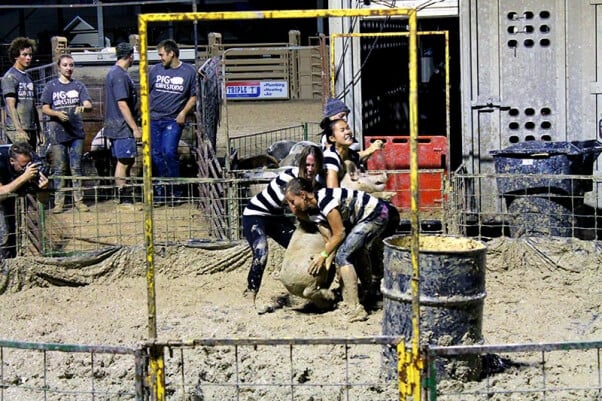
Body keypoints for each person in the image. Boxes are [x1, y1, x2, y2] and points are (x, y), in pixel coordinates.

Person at [284, 177, 395, 322]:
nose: (292, 208)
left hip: (377, 213)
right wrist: (327, 263)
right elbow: (329, 238)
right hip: (364, 218)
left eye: (293, 202)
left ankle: (354, 307)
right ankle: (370, 294)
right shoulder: (313, 212)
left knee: (343, 256)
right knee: (353, 251)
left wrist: (323, 256)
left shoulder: (325, 201)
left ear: (303, 195)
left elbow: (339, 233)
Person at [242, 145, 324, 311]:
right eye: (306, 165)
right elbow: (296, 210)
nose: (309, 169)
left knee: (299, 248)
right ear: (301, 164)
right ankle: (250, 292)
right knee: (261, 252)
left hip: (276, 217)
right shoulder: (290, 178)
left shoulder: (316, 182)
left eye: (313, 165)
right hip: (256, 213)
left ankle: (313, 289)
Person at [41, 54, 92, 214]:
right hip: (57, 132)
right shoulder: (51, 86)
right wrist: (56, 114)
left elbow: (88, 104)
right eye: (65, 65)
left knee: (76, 167)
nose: (69, 68)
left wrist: (82, 108)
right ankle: (59, 203)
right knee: (59, 168)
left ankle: (79, 201)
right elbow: (45, 107)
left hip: (76, 132)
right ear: (59, 67)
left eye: (71, 65)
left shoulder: (78, 86)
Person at [149, 39, 197, 205]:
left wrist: (183, 112)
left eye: (162, 54)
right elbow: (145, 91)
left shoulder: (188, 71)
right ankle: (161, 192)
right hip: (154, 118)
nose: (160, 58)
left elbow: (194, 95)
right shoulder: (155, 70)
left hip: (173, 119)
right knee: (155, 155)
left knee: (168, 152)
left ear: (172, 53)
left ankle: (176, 190)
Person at [103, 42, 141, 209]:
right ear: (130, 56)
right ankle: (124, 199)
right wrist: (134, 127)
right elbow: (122, 104)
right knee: (124, 161)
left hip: (115, 124)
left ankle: (122, 195)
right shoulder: (120, 76)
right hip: (121, 125)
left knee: (124, 160)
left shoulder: (114, 73)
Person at [0, 142, 49, 260]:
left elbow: (43, 201)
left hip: (13, 195)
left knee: (15, 232)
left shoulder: (35, 162)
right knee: (3, 233)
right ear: (12, 161)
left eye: (29, 165)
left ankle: (12, 264)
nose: (27, 169)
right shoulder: (1, 160)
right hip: (3, 193)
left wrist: (44, 189)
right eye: (23, 166)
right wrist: (24, 177)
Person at [1, 37, 41, 148]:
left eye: (30, 55)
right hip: (16, 129)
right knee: (21, 161)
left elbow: (33, 106)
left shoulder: (28, 77)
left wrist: (39, 130)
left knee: (32, 160)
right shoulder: (10, 77)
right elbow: (11, 106)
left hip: (30, 127)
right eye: (24, 55)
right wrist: (19, 129)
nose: (28, 58)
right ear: (16, 56)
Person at [321, 117, 383, 188]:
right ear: (332, 138)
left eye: (348, 128)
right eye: (342, 130)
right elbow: (333, 191)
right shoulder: (330, 157)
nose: (348, 132)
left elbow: (359, 155)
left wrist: (372, 148)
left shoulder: (349, 153)